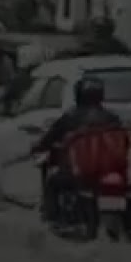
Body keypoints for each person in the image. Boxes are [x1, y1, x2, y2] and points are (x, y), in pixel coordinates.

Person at [30, 77, 123, 221]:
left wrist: (37, 146)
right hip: (109, 171)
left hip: (77, 174)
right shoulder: (112, 118)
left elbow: (49, 139)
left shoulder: (70, 117)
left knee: (52, 183)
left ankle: (51, 217)